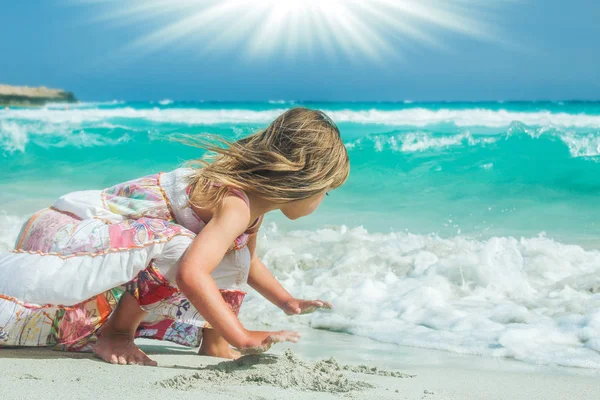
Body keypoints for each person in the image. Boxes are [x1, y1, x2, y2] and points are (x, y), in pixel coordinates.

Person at [0, 107, 350, 366]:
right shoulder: (235, 204)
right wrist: (240, 336)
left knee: (231, 256)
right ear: (305, 181)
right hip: (65, 234)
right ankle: (117, 335)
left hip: (103, 242)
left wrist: (286, 301)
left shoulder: (251, 211)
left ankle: (210, 343)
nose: (323, 200)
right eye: (326, 192)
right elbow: (191, 273)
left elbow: (247, 263)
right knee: (186, 253)